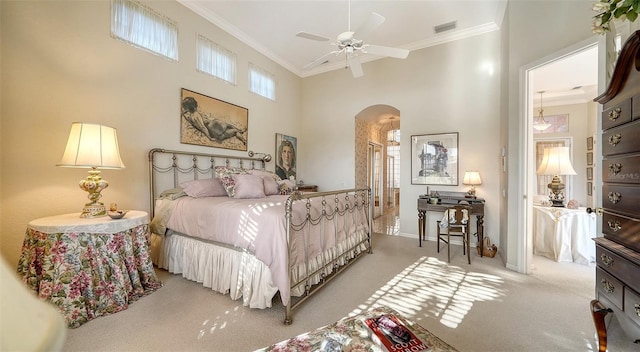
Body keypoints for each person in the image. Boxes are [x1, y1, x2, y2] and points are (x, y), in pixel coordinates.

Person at [181, 97, 247, 145]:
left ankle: (241, 132)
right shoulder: (196, 115)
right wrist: (210, 138)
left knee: (229, 127)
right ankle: (242, 136)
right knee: (232, 129)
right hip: (216, 129)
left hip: (216, 129)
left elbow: (187, 117)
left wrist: (184, 112)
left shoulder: (190, 117)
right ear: (194, 106)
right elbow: (202, 127)